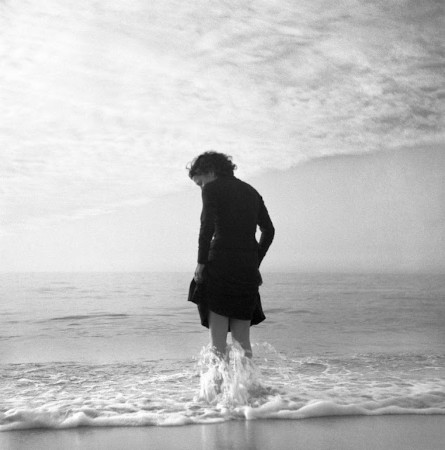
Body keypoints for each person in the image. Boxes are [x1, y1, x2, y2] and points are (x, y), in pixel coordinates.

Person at [187, 151, 274, 358]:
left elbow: (206, 227)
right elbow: (269, 231)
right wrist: (255, 261)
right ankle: (248, 380)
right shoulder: (251, 192)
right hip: (247, 270)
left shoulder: (212, 189)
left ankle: (217, 381)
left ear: (210, 171)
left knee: (217, 345)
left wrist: (201, 263)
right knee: (243, 343)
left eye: (200, 182)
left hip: (220, 266)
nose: (201, 187)